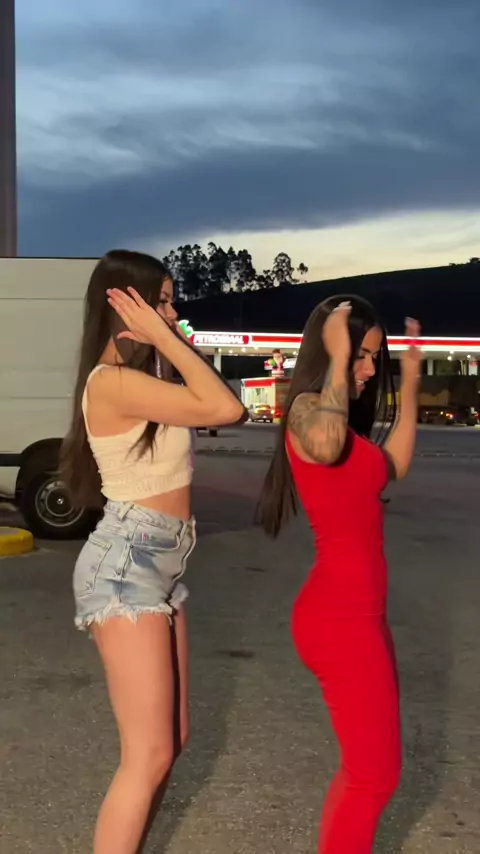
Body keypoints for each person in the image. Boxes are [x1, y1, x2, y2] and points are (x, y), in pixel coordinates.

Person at [61, 249, 246, 854]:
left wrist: (165, 340)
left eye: (170, 301)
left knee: (173, 740)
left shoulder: (144, 381)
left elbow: (217, 404)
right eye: (162, 301)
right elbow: (227, 408)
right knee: (147, 754)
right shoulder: (111, 383)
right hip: (127, 565)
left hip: (160, 564)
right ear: (125, 304)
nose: (172, 313)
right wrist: (167, 338)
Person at [256, 295, 421, 854]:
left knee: (367, 773)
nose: (369, 369)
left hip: (363, 616)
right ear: (331, 349)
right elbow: (325, 447)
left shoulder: (345, 425)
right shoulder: (310, 409)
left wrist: (411, 381)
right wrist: (335, 356)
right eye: (361, 355)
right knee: (374, 777)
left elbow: (393, 465)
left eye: (375, 357)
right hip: (339, 620)